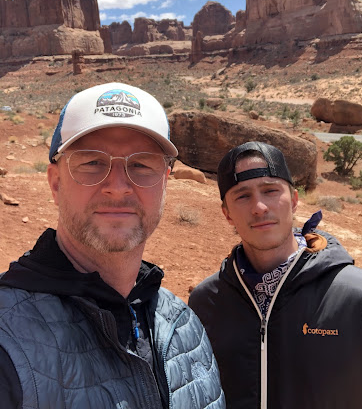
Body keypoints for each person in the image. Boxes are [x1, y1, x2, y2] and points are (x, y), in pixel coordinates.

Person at [0, 82, 225, 409]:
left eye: (141, 164)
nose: (118, 187)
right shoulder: (8, 339)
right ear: (55, 183)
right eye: (91, 162)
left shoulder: (185, 327)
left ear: (165, 181)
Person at [189, 141, 362, 409]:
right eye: (242, 196)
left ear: (293, 201)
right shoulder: (206, 303)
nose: (259, 206)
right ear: (227, 213)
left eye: (270, 190)